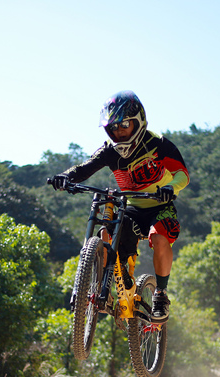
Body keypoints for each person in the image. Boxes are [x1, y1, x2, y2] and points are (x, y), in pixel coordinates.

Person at [51, 90, 189, 323]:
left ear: (138, 121)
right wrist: (65, 177)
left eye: (124, 124)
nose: (118, 132)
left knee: (159, 238)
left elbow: (182, 174)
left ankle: (160, 294)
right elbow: (84, 168)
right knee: (106, 231)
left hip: (160, 206)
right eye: (113, 127)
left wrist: (170, 188)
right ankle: (111, 277)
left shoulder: (158, 144)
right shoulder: (110, 150)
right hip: (131, 208)